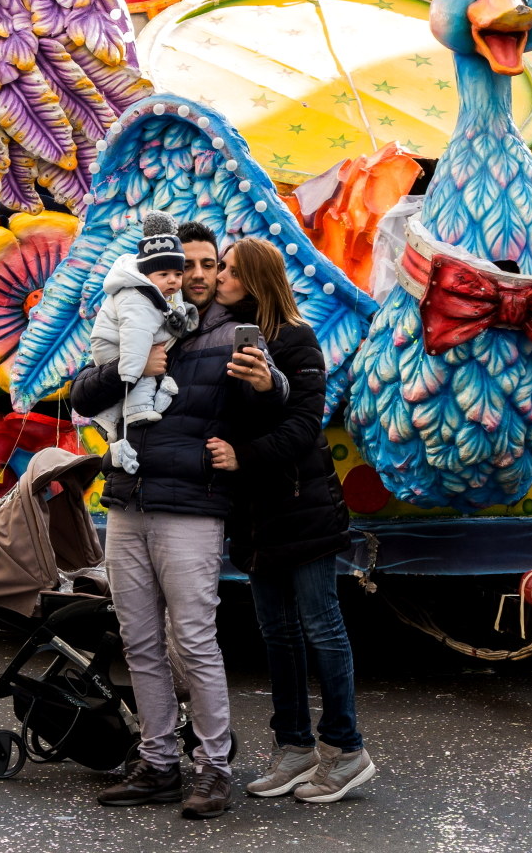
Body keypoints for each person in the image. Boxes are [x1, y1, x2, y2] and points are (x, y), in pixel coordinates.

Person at [70, 221, 288, 819]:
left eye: (208, 264)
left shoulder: (229, 335)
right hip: (126, 500)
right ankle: (159, 762)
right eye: (184, 264)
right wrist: (133, 368)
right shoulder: (131, 313)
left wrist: (269, 385)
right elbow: (81, 395)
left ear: (220, 271)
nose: (195, 274)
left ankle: (213, 768)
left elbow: (274, 399)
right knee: (139, 643)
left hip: (191, 505)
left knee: (193, 641)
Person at [206, 237, 376, 804]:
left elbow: (305, 426)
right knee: (277, 634)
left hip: (303, 509)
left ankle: (347, 751)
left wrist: (246, 451)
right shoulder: (222, 339)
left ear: (254, 280)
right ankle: (295, 747)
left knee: (321, 627)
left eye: (228, 270)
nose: (220, 277)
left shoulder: (297, 340)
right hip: (254, 515)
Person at [89, 210, 198, 451]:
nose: (173, 281)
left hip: (126, 347)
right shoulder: (139, 297)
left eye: (178, 274)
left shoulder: (160, 292)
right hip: (117, 346)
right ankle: (137, 411)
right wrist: (131, 371)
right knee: (144, 374)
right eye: (165, 275)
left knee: (144, 369)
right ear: (147, 275)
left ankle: (105, 419)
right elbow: (135, 334)